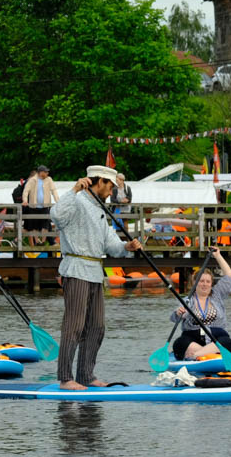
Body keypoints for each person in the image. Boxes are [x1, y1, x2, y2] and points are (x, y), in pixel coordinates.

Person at [49, 165, 141, 390]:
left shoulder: (101, 209)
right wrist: (73, 190)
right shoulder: (77, 200)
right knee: (74, 326)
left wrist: (127, 246)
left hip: (94, 272)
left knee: (97, 327)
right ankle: (65, 378)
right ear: (99, 182)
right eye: (110, 187)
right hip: (76, 269)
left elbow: (111, 245)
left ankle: (85, 375)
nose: (112, 192)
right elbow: (56, 216)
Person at [171, 248, 231, 360]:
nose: (204, 284)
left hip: (216, 339)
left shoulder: (217, 295)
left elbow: (229, 276)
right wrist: (179, 313)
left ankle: (197, 355)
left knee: (228, 343)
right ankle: (211, 355)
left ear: (211, 284)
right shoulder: (187, 300)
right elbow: (175, 317)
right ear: (195, 283)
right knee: (179, 343)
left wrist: (218, 256)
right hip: (193, 339)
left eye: (208, 282)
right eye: (201, 281)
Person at [22, 165, 59, 241]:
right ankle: (37, 241)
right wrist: (25, 200)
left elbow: (54, 190)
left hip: (45, 206)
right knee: (34, 226)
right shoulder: (32, 180)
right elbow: (26, 191)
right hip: (34, 207)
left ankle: (43, 241)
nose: (47, 173)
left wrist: (57, 201)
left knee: (45, 225)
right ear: (41, 172)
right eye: (46, 172)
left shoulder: (49, 179)